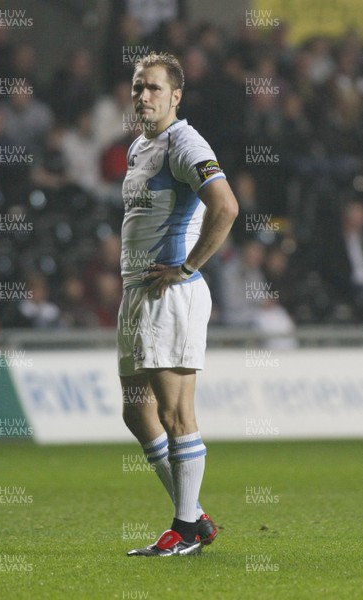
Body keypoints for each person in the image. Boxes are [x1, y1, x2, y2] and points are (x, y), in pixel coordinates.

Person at [117, 52, 239, 557]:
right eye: (138, 86)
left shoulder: (184, 142)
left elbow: (226, 206)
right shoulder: (138, 147)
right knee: (136, 412)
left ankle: (185, 528)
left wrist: (187, 268)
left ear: (175, 96)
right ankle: (195, 516)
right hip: (137, 294)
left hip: (170, 293)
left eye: (153, 88)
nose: (143, 95)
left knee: (174, 414)